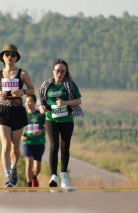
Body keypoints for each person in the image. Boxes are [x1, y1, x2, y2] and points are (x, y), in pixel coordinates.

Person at [0, 44, 35, 187]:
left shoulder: (23, 74)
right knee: (6, 145)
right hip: (3, 111)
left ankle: (14, 168)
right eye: (7, 54)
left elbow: (32, 89)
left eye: (13, 55)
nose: (10, 57)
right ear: (2, 57)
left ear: (16, 58)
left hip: (18, 111)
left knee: (15, 147)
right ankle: (7, 176)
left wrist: (22, 91)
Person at [37, 59, 84, 188]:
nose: (60, 73)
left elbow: (78, 101)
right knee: (54, 146)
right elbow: (40, 99)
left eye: (63, 71)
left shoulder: (69, 84)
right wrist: (41, 108)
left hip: (67, 120)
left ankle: (63, 173)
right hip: (51, 119)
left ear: (65, 72)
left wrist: (65, 103)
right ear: (53, 71)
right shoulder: (46, 84)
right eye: (57, 71)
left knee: (65, 147)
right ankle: (53, 176)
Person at [22, 95, 46, 187]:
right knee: (28, 162)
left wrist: (41, 131)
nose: (28, 104)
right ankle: (29, 186)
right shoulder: (23, 115)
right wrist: (21, 137)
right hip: (27, 142)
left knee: (37, 169)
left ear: (35, 102)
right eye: (26, 102)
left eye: (30, 101)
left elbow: (47, 127)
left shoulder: (40, 114)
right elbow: (18, 129)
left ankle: (33, 176)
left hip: (39, 143)